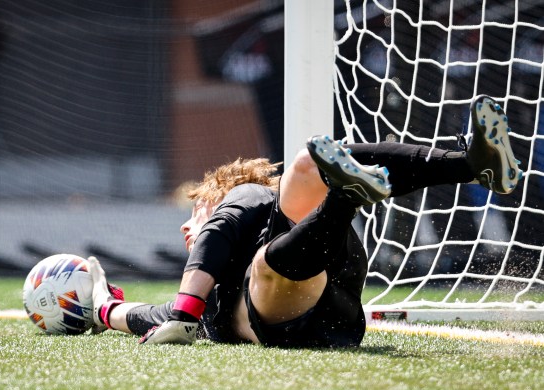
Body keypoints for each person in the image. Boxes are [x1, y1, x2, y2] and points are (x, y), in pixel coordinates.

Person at [88, 95, 523, 348]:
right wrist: (101, 305)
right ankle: (361, 193)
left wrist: (185, 311)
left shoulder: (244, 198)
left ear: (218, 198)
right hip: (330, 308)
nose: (185, 227)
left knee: (298, 180)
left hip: (301, 287)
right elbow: (141, 314)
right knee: (304, 169)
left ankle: (463, 167)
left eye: (194, 211)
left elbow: (222, 227)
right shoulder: (211, 294)